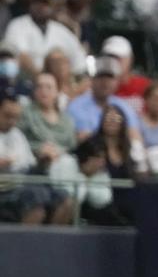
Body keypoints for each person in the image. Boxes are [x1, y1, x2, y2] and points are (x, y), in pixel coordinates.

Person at [0, 93, 72, 225]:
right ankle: (24, 245)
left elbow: (31, 167)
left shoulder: (17, 135)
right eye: (7, 116)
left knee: (64, 198)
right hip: (5, 190)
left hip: (25, 182)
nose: (12, 121)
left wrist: (43, 161)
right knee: (36, 199)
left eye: (15, 117)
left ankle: (53, 243)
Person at [3, 0, 87, 77]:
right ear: (30, 5)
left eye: (45, 4)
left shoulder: (62, 30)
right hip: (24, 80)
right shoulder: (17, 25)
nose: (41, 7)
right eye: (37, 3)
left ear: (52, 7)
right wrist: (41, 78)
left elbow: (79, 62)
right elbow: (21, 56)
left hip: (57, 83)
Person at [68, 56, 141, 142]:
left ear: (117, 81)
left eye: (110, 77)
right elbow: (74, 138)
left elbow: (135, 137)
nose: (105, 81)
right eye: (100, 76)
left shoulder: (124, 107)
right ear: (92, 79)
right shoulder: (76, 106)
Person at [19, 72, 76, 170]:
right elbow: (18, 141)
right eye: (39, 87)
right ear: (34, 91)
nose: (43, 91)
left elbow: (72, 147)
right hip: (33, 166)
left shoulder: (67, 120)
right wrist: (39, 149)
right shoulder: (25, 113)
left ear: (57, 91)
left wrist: (57, 151)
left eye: (49, 87)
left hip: (63, 165)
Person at [102, 35, 151, 114]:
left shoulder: (144, 85)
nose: (114, 61)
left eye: (119, 58)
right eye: (110, 57)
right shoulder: (95, 87)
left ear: (130, 59)